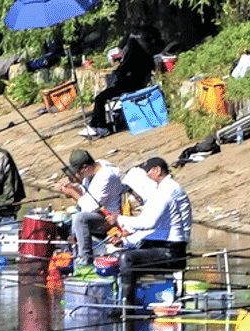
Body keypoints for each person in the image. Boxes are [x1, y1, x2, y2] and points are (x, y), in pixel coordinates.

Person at [107, 157, 192, 310]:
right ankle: (128, 298)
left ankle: (127, 308)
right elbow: (152, 229)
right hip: (161, 245)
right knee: (120, 254)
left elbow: (148, 223)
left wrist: (118, 219)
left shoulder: (166, 192)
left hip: (172, 252)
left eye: (148, 173)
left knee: (128, 258)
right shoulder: (160, 193)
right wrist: (126, 240)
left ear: (157, 170)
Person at [80, 27, 155, 139]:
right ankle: (93, 125)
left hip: (130, 86)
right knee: (101, 97)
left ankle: (101, 127)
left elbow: (123, 71)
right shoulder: (145, 55)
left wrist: (119, 72)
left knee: (100, 98)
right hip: (134, 84)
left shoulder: (133, 57)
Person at [59, 149, 124, 265]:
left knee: (80, 218)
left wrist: (73, 193)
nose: (78, 176)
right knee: (66, 222)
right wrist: (74, 188)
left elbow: (90, 207)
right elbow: (86, 191)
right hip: (99, 214)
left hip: (108, 220)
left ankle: (85, 258)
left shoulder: (106, 176)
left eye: (78, 172)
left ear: (85, 167)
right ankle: (71, 251)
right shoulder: (94, 169)